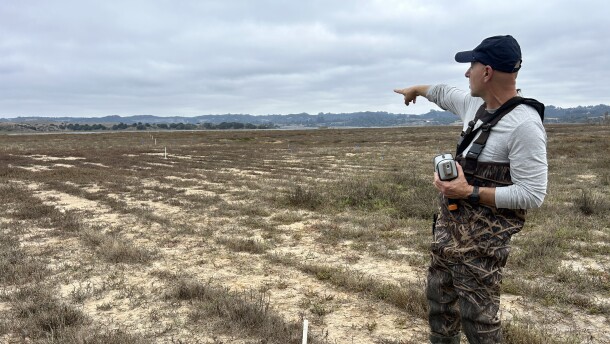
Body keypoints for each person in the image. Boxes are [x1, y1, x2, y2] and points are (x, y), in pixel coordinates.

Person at [394, 35, 547, 344]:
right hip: (447, 240)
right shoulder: (474, 104)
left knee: (480, 327)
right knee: (440, 313)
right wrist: (417, 90)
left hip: (482, 251)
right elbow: (441, 92)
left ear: (487, 72)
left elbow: (533, 193)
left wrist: (469, 192)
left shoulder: (524, 125)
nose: (466, 73)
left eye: (471, 66)